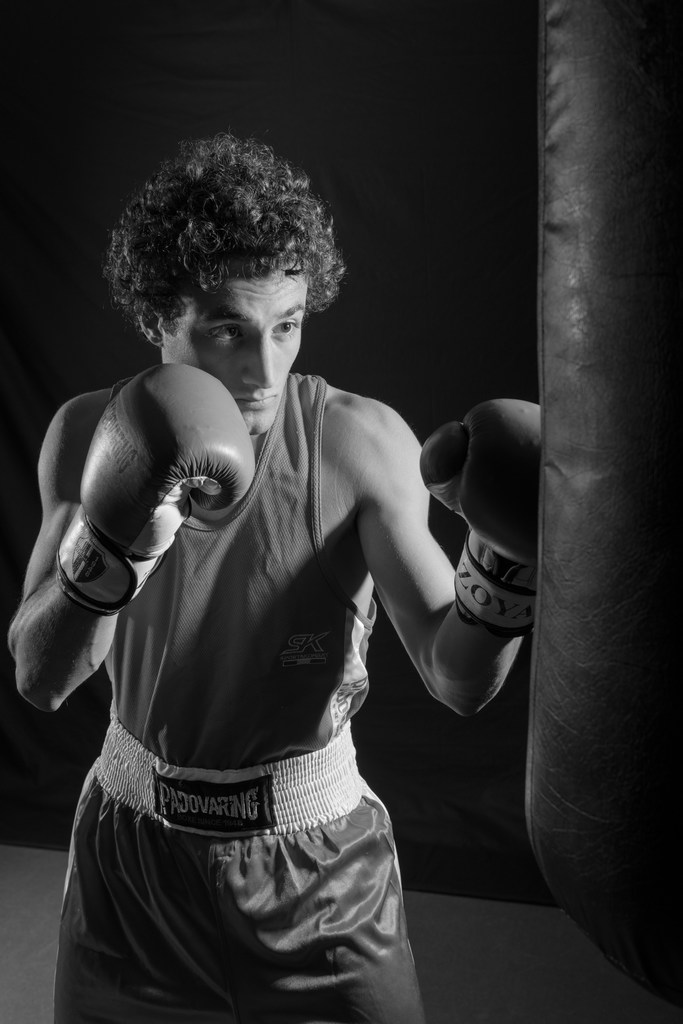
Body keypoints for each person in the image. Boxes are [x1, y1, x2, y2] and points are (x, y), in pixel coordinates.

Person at [8, 133, 537, 1024]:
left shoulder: (358, 442)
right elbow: (41, 676)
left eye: (286, 326)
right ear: (158, 317)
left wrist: (504, 562)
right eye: (227, 329)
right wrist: (114, 541)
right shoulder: (88, 432)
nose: (262, 371)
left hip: (320, 873)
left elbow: (458, 682)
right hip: (132, 872)